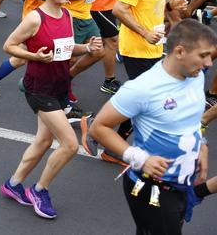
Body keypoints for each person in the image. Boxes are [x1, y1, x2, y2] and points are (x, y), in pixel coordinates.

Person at [89, 19, 214, 235]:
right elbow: (99, 127)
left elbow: (189, 119)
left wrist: (200, 143)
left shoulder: (196, 76)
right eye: (203, 55)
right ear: (180, 51)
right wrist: (140, 158)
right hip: (152, 189)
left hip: (182, 182)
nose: (209, 63)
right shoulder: (142, 89)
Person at [0, 0, 101, 219]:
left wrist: (87, 47)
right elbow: (8, 45)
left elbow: (66, 49)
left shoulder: (66, 14)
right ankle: (39, 189)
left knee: (43, 141)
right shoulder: (35, 18)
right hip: (38, 88)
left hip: (59, 86)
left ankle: (13, 184)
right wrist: (34, 56)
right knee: (68, 144)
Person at [103, 0, 187, 165]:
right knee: (146, 100)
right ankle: (105, 132)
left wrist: (171, 5)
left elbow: (149, 5)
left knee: (142, 100)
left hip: (152, 45)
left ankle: (111, 142)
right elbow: (119, 9)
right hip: (136, 47)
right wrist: (144, 32)